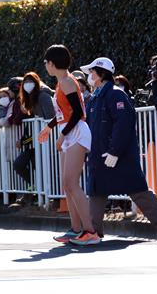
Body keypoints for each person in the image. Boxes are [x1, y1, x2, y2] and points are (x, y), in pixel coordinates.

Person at [80, 57, 157, 243]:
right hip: (101, 155)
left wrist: (115, 151)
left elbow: (124, 125)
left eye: (92, 72)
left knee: (137, 190)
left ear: (102, 73)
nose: (90, 76)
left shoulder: (115, 95)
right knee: (96, 191)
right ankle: (93, 231)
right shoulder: (97, 97)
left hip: (118, 155)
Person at [37, 44, 100, 245]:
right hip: (70, 131)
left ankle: (90, 231)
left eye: (46, 62)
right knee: (67, 184)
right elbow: (65, 113)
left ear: (52, 63)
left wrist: (62, 135)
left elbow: (78, 114)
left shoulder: (66, 82)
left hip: (77, 133)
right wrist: (50, 127)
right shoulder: (62, 82)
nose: (45, 66)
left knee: (71, 183)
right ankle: (75, 230)